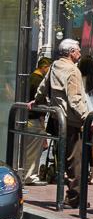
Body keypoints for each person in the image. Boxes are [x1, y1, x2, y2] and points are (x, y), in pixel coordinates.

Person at [32, 39, 88, 208]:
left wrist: (36, 101)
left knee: (63, 157)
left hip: (57, 119)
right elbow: (75, 99)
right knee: (75, 161)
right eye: (78, 50)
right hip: (71, 120)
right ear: (71, 52)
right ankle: (74, 197)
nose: (79, 53)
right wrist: (87, 117)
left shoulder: (55, 66)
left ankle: (68, 196)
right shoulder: (73, 71)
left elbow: (43, 87)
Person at [22, 57, 52, 186]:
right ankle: (30, 176)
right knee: (33, 150)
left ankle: (26, 173)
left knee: (28, 149)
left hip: (27, 118)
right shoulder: (39, 81)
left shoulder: (30, 78)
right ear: (44, 67)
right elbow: (40, 102)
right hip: (34, 119)